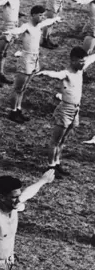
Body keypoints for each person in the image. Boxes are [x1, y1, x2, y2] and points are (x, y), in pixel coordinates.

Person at [35, 47, 95, 177]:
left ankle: (57, 163)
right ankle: (50, 167)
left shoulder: (80, 70)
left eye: (84, 61)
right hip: (65, 110)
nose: (83, 64)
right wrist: (44, 72)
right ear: (73, 61)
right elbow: (56, 74)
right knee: (55, 141)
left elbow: (91, 59)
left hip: (75, 110)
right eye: (80, 62)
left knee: (63, 140)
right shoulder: (67, 73)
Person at [6, 5, 61, 123]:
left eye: (43, 15)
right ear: (33, 15)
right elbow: (18, 30)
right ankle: (12, 111)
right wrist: (11, 31)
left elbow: (48, 21)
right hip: (26, 59)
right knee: (18, 88)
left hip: (35, 58)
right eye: (40, 15)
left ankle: (18, 109)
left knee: (24, 87)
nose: (42, 17)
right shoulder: (27, 26)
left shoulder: (40, 25)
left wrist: (56, 19)